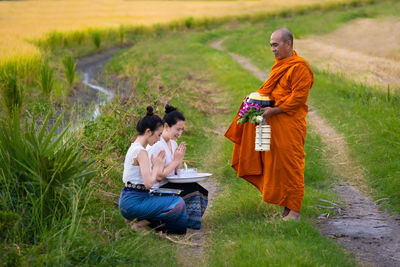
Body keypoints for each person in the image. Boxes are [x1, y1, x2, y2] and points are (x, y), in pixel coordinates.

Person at [224, 28, 314, 221]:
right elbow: (271, 91)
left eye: (276, 44)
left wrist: (274, 110)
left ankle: (295, 211)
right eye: (271, 45)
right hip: (275, 124)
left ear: (288, 44)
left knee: (291, 165)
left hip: (290, 124)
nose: (272, 49)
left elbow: (298, 98)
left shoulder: (300, 68)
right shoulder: (280, 66)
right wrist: (254, 98)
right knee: (277, 166)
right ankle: (286, 208)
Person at [119, 106, 188, 234]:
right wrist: (157, 166)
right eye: (158, 135)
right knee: (177, 202)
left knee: (170, 198)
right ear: (148, 131)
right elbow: (149, 183)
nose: (158, 139)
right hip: (134, 202)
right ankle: (140, 225)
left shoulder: (134, 147)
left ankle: (134, 219)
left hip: (127, 199)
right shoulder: (141, 152)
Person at [148, 104, 208, 229]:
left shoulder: (174, 143)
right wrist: (176, 161)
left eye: (182, 130)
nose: (180, 133)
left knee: (200, 189)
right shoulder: (157, 145)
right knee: (193, 192)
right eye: (177, 129)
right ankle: (184, 222)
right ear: (166, 126)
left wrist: (179, 159)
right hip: (157, 188)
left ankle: (185, 219)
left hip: (169, 183)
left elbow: (176, 172)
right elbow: (159, 176)